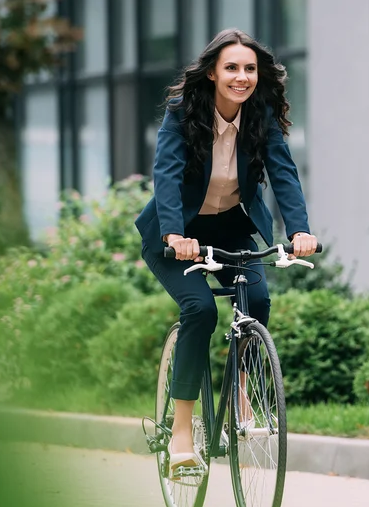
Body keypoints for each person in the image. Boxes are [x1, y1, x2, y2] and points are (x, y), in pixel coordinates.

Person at [134, 28, 318, 475]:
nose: (242, 77)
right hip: (176, 237)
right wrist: (174, 235)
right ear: (213, 73)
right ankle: (181, 434)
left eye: (249, 69)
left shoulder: (261, 115)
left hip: (231, 229)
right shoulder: (182, 113)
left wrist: (299, 229)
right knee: (200, 310)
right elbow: (167, 175)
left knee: (257, 299)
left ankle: (240, 391)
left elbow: (284, 173)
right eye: (231, 67)